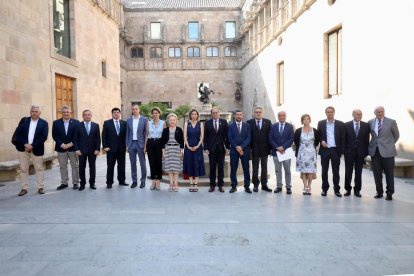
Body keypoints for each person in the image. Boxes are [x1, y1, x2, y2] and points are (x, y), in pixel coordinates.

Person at [14, 105, 49, 196]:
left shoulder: (44, 123)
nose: (34, 113)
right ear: (30, 112)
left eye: (36, 111)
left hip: (36, 149)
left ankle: (40, 187)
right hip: (23, 148)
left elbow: (43, 137)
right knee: (23, 169)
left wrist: (32, 146)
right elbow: (18, 134)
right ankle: (24, 188)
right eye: (32, 111)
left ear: (39, 113)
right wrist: (25, 144)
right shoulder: (24, 120)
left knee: (39, 168)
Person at [368, 106, 400, 201]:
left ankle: (389, 193)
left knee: (389, 173)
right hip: (375, 152)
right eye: (378, 112)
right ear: (375, 113)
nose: (380, 113)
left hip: (388, 152)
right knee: (377, 174)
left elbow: (396, 135)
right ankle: (379, 192)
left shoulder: (391, 122)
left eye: (382, 111)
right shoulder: (370, 122)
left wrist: (389, 144)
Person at [317, 106, 345, 197]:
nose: (330, 113)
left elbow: (343, 138)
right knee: (324, 171)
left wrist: (341, 152)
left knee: (336, 171)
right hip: (325, 150)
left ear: (334, 113)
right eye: (328, 112)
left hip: (335, 150)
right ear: (326, 113)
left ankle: (337, 189)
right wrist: (321, 141)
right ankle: (324, 189)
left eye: (331, 112)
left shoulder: (340, 124)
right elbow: (318, 135)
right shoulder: (321, 123)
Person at [52, 105, 80, 191]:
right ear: (61, 113)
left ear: (70, 112)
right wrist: (61, 144)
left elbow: (78, 135)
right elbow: (54, 135)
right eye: (64, 112)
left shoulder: (76, 122)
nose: (66, 113)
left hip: (73, 148)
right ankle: (64, 183)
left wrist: (71, 143)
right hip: (61, 148)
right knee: (62, 166)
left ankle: (75, 183)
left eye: (67, 112)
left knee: (75, 166)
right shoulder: (56, 123)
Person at [343, 109, 370, 197]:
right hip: (349, 152)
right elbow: (344, 139)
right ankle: (348, 189)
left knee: (359, 172)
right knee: (348, 172)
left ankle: (357, 190)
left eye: (360, 114)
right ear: (353, 115)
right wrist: (344, 151)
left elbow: (367, 140)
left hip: (361, 153)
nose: (359, 116)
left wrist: (366, 152)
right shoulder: (346, 125)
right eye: (357, 114)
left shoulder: (366, 125)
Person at [246, 106, 272, 193]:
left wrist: (271, 149)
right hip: (254, 149)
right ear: (254, 113)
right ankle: (255, 185)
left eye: (259, 112)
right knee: (255, 168)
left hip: (265, 149)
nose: (258, 113)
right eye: (256, 112)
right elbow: (248, 136)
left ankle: (264, 185)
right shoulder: (249, 123)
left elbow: (270, 136)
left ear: (262, 113)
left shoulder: (268, 122)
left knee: (264, 168)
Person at [204, 107, 229, 193]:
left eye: (216, 112)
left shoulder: (224, 122)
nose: (215, 114)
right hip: (212, 149)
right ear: (211, 114)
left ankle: (221, 185)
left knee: (221, 168)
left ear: (219, 113)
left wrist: (227, 147)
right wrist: (206, 148)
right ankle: (212, 185)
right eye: (213, 113)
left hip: (221, 148)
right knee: (212, 168)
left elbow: (227, 136)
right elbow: (206, 137)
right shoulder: (207, 123)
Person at [269, 110, 294, 194]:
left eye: (283, 115)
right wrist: (277, 147)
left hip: (286, 152)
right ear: (278, 117)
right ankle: (279, 186)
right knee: (278, 170)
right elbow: (270, 138)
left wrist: (283, 147)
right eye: (280, 115)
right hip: (276, 152)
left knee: (287, 170)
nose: (281, 117)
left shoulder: (290, 126)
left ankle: (288, 187)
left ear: (285, 116)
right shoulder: (273, 126)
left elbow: (291, 138)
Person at [294, 114, 320, 195]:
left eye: (308, 119)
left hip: (311, 153)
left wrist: (310, 147)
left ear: (310, 120)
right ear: (302, 121)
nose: (306, 120)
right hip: (301, 152)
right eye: (304, 119)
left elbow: (317, 141)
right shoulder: (298, 130)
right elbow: (296, 141)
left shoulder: (314, 130)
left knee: (310, 171)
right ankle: (305, 186)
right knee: (303, 170)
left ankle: (309, 186)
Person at [102, 107, 128, 189]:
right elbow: (104, 135)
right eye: (114, 112)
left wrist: (126, 146)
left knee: (121, 165)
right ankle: (109, 182)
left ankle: (122, 181)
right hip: (110, 149)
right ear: (112, 114)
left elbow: (126, 136)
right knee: (110, 166)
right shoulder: (107, 123)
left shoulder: (124, 123)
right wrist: (105, 146)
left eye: (117, 112)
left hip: (121, 149)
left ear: (120, 114)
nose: (116, 113)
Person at [74, 110, 101, 191]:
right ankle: (82, 184)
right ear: (83, 116)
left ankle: (92, 183)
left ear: (91, 116)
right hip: (81, 151)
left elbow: (98, 139)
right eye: (85, 115)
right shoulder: (78, 126)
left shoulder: (95, 125)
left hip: (93, 151)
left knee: (92, 167)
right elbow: (75, 139)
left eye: (89, 115)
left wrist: (97, 149)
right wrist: (77, 149)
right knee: (82, 168)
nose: (87, 116)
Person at [228, 110, 251, 193]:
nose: (238, 116)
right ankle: (234, 186)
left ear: (242, 116)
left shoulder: (247, 126)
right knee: (233, 169)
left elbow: (248, 138)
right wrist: (237, 147)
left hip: (245, 150)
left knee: (246, 169)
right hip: (234, 150)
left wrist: (241, 147)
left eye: (240, 114)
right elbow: (230, 138)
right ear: (234, 116)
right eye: (237, 114)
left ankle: (247, 186)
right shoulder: (230, 126)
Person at [126, 104, 148, 188]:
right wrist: (127, 145)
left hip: (141, 144)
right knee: (132, 163)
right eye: (133, 109)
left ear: (139, 110)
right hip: (131, 144)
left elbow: (146, 133)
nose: (134, 110)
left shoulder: (144, 119)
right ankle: (134, 181)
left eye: (136, 109)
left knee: (142, 163)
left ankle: (143, 181)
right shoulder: (129, 120)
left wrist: (145, 146)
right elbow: (127, 133)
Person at [183, 109, 205, 192]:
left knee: (197, 164)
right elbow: (185, 136)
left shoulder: (201, 124)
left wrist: (198, 146)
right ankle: (191, 184)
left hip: (198, 147)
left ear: (197, 115)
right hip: (188, 147)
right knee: (189, 164)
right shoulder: (186, 124)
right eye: (192, 114)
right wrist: (188, 146)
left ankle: (196, 184)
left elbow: (202, 137)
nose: (194, 115)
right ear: (190, 115)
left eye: (195, 114)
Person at [161, 113, 184, 192]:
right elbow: (162, 142)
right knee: (169, 168)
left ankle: (176, 184)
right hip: (168, 149)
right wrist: (163, 152)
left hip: (177, 149)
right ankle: (171, 184)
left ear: (176, 121)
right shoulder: (165, 130)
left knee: (176, 169)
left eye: (173, 120)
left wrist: (181, 151)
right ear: (168, 121)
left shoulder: (179, 129)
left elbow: (182, 141)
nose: (172, 121)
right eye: (170, 120)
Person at [147, 107, 166, 190]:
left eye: (156, 113)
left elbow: (165, 136)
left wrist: (164, 148)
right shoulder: (148, 123)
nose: (155, 114)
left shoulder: (163, 123)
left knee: (159, 162)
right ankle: (153, 180)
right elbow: (146, 135)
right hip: (150, 143)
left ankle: (158, 181)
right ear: (152, 114)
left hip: (159, 143)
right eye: (153, 113)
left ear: (159, 113)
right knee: (152, 162)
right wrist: (145, 147)